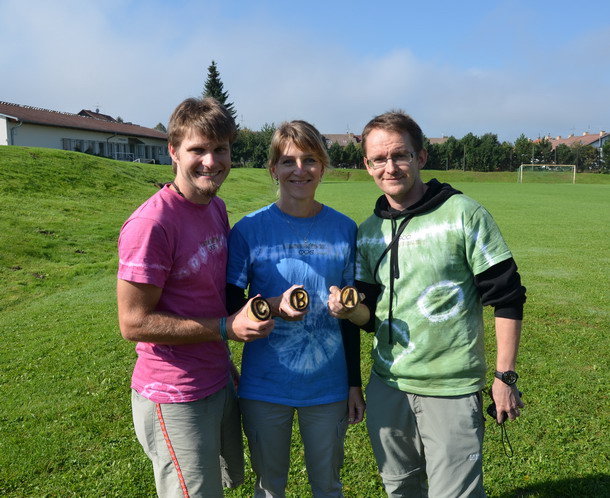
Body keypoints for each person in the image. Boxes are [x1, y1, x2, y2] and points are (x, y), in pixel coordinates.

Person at [328, 111, 526, 497]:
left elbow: (507, 297)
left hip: (452, 388)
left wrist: (505, 377)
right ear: (367, 165)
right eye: (379, 159)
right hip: (388, 385)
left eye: (400, 155)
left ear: (420, 157)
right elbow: (369, 319)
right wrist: (351, 311)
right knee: (400, 487)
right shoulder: (368, 232)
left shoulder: (464, 214)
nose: (390, 167)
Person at [117, 97, 274, 498]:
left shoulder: (215, 207)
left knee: (224, 482)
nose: (211, 161)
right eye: (197, 149)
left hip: (216, 378)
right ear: (173, 151)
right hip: (174, 394)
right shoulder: (152, 224)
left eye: (220, 149)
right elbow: (133, 322)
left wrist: (225, 357)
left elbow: (205, 294)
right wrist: (225, 328)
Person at [226, 120, 365, 497]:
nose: (299, 170)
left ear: (323, 167)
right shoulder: (248, 230)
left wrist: (354, 382)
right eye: (288, 161)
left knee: (328, 486)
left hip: (329, 385)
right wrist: (271, 307)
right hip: (264, 385)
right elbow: (230, 307)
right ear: (273, 169)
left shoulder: (344, 229)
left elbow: (351, 319)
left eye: (310, 160)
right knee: (270, 487)